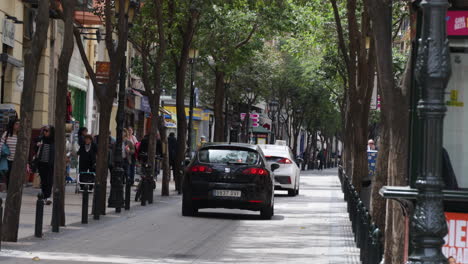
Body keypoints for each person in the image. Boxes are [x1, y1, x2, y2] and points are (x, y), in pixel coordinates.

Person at [35, 125, 55, 205]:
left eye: (47, 131)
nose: (45, 132)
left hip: (50, 164)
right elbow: (35, 147)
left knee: (49, 180)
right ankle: (44, 196)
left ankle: (48, 196)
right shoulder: (41, 139)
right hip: (41, 163)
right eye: (44, 130)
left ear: (51, 132)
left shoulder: (54, 140)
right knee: (43, 181)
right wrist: (37, 145)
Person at [0, 118, 20, 190]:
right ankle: (9, 192)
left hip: (18, 161)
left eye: (19, 124)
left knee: (17, 178)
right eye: (16, 124)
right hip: (8, 160)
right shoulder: (6, 134)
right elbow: (1, 145)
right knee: (9, 177)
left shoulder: (21, 135)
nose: (18, 126)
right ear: (12, 125)